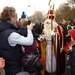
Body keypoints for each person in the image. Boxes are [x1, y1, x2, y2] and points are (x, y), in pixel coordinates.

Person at [0, 6, 33, 75]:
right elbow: (29, 41)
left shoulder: (2, 30)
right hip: (15, 67)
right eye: (16, 17)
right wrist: (29, 30)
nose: (16, 20)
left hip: (8, 65)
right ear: (11, 17)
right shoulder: (11, 34)